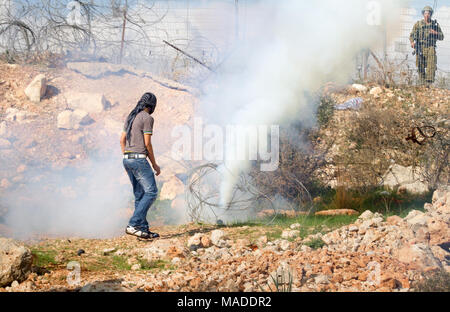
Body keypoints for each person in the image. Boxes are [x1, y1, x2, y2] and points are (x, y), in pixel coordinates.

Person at [120, 92, 161, 239]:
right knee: (151, 192)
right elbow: (147, 144)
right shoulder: (147, 118)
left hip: (127, 158)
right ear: (152, 106)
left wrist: (127, 157)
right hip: (138, 159)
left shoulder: (131, 116)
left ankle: (142, 229)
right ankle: (133, 224)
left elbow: (122, 140)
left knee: (140, 195)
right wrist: (154, 165)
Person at [409, 6, 444, 86]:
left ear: (431, 14)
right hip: (420, 46)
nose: (427, 15)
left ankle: (428, 83)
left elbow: (442, 37)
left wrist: (435, 33)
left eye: (428, 13)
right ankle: (422, 83)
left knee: (431, 64)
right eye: (425, 13)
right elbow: (412, 35)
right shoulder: (418, 24)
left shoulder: (434, 25)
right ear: (423, 14)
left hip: (430, 47)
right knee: (420, 64)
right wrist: (412, 42)